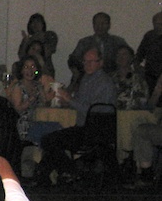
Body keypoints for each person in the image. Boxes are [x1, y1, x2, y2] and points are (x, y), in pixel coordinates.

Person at [37, 48, 117, 186]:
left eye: (92, 61)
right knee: (50, 139)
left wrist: (69, 99)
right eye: (85, 61)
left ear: (100, 63)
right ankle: (50, 174)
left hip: (96, 131)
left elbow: (93, 112)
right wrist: (67, 102)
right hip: (85, 128)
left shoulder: (104, 82)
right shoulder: (86, 78)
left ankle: (67, 170)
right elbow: (80, 103)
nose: (88, 64)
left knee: (50, 140)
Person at [17, 13, 58, 78]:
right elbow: (21, 56)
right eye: (33, 22)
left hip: (44, 70)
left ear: (43, 24)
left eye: (38, 21)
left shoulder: (49, 35)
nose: (35, 24)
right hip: (29, 71)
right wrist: (25, 42)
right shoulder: (28, 39)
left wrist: (41, 39)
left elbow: (48, 51)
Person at [135, 11, 162, 95]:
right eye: (156, 24)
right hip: (150, 76)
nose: (158, 26)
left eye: (161, 24)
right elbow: (139, 54)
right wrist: (137, 67)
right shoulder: (149, 36)